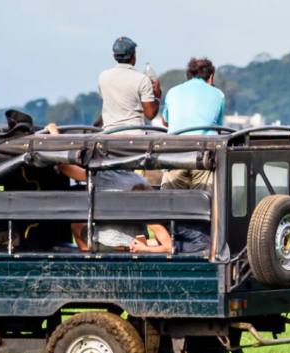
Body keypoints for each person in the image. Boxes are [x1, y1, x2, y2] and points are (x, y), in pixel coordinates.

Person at [45, 125, 211, 253]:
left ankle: (87, 256)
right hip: (138, 243)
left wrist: (54, 135)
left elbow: (66, 168)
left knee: (76, 225)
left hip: (108, 246)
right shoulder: (140, 179)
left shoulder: (104, 175)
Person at [160, 57, 225, 191]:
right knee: (206, 206)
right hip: (203, 158)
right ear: (211, 77)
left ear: (188, 75)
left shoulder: (173, 91)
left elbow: (165, 122)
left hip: (174, 156)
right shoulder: (218, 94)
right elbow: (217, 130)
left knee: (170, 206)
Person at [97, 36, 162, 131]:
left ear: (114, 56)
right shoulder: (142, 79)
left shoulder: (103, 77)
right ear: (134, 55)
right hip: (134, 135)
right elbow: (150, 114)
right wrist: (157, 96)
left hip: (109, 134)